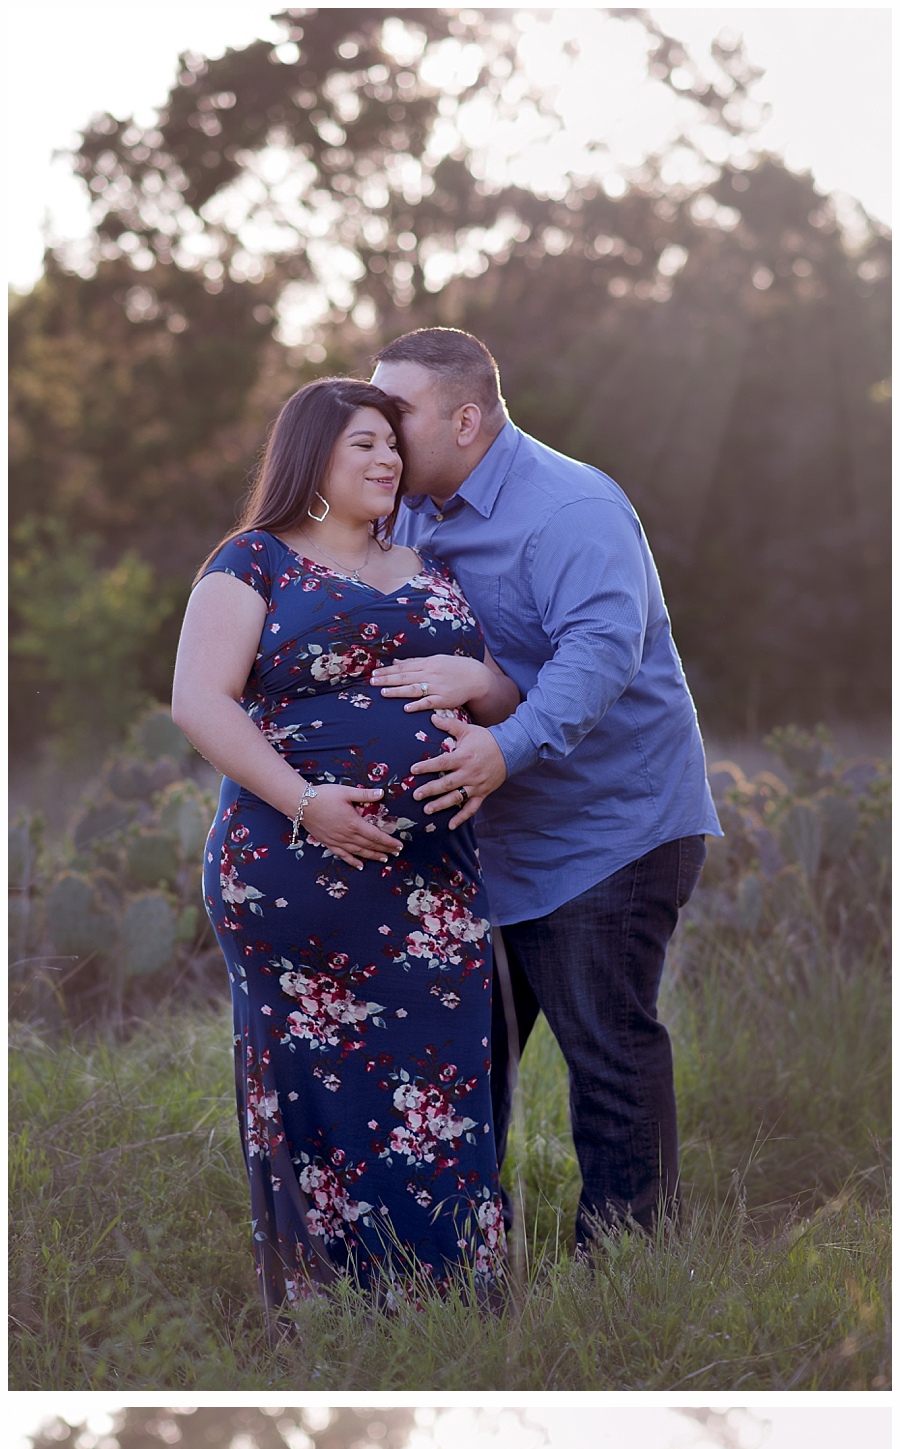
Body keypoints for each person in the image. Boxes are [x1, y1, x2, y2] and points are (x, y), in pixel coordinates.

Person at [171, 378, 516, 1323]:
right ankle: (337, 1312)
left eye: (393, 447)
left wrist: (480, 679)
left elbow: (501, 704)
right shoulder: (254, 562)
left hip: (433, 886)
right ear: (311, 455)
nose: (387, 461)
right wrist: (307, 800)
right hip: (295, 865)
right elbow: (201, 702)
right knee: (316, 1091)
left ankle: (452, 1305)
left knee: (445, 1085)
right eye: (363, 443)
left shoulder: (430, 565)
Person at [369, 328, 723, 1244]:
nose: (378, 427)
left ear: (466, 418)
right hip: (481, 841)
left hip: (609, 829)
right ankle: (460, 1263)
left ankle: (626, 1271)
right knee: (460, 1062)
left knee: (606, 1056)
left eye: (397, 411)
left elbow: (600, 652)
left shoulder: (572, 508)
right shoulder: (403, 508)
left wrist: (507, 745)